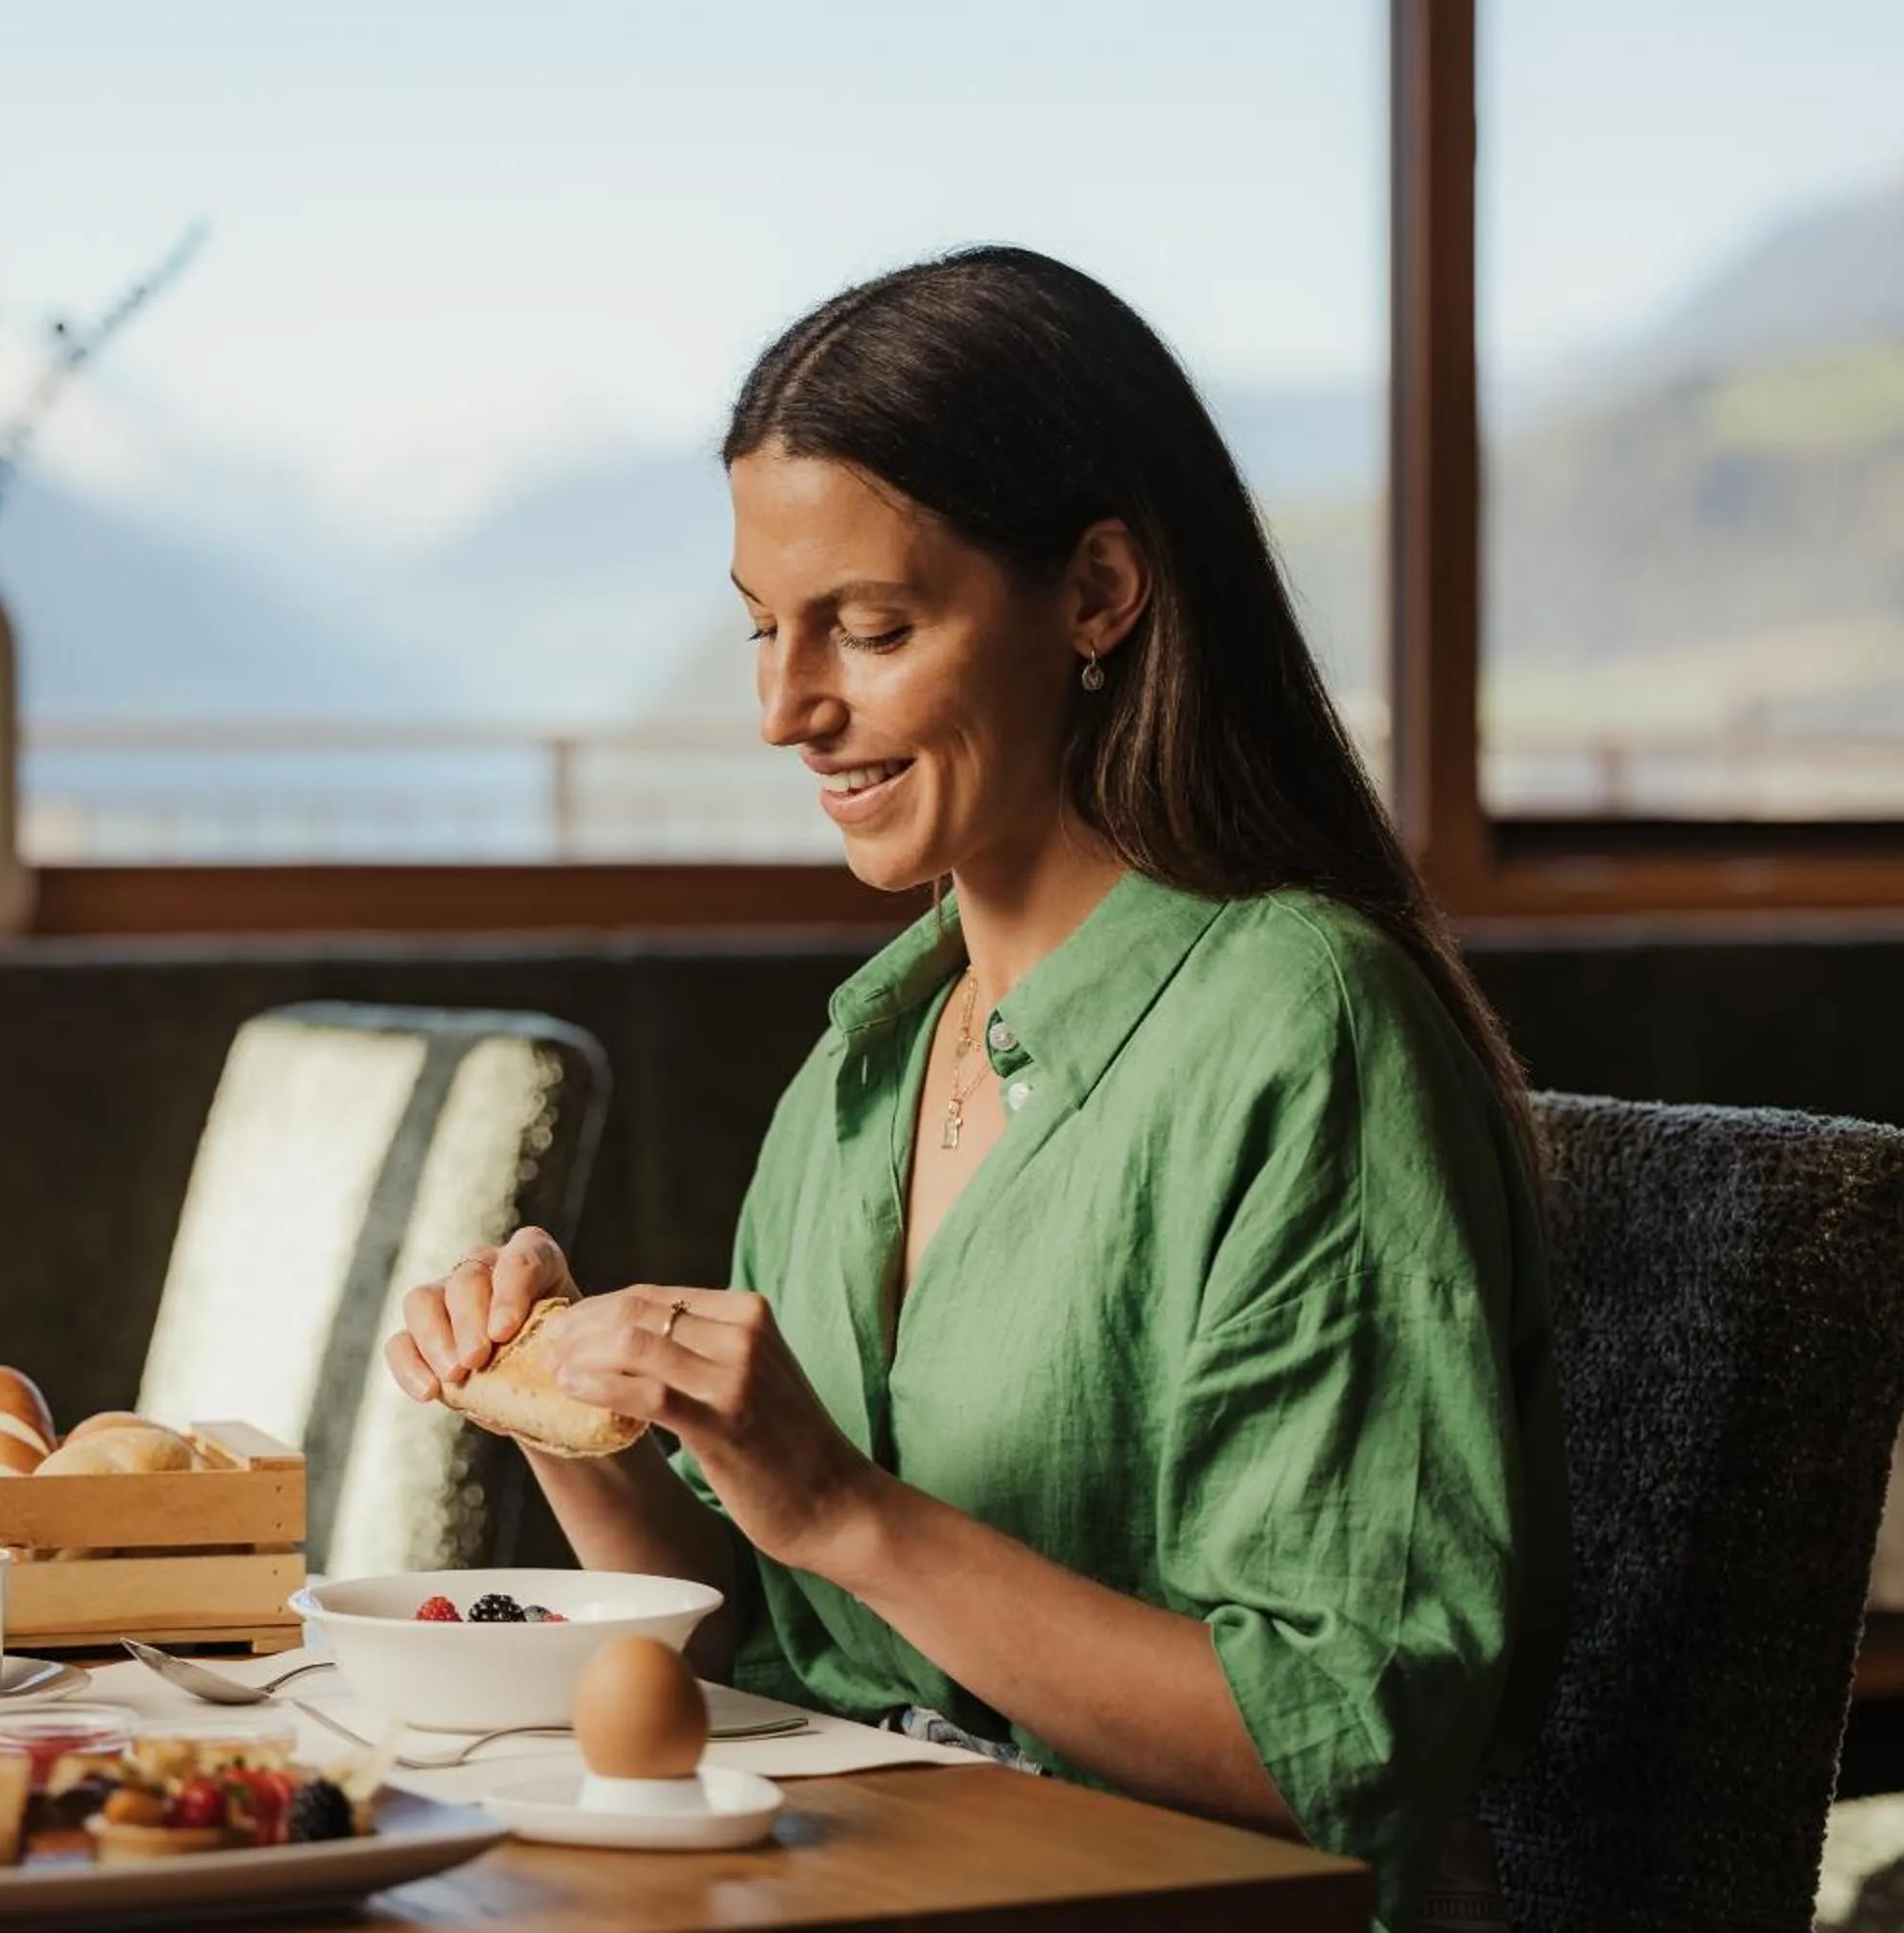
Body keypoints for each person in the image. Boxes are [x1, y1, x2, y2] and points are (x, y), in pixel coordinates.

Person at [385, 245, 1566, 1933]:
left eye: (869, 628)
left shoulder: (1306, 1028)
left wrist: (849, 1510)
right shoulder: (874, 1057)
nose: (789, 707)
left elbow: (1350, 1744)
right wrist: (583, 1414)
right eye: (762, 631)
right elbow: (786, 1646)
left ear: (1096, 594)